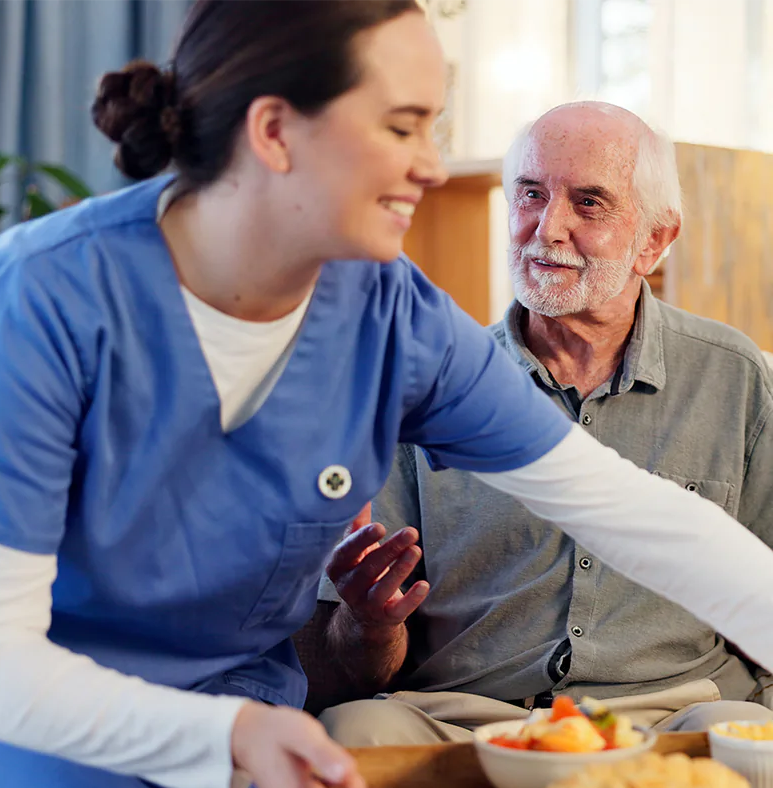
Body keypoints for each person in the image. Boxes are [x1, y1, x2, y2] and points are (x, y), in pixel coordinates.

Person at [0, 1, 772, 788]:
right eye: (402, 126)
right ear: (276, 132)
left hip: (263, 736)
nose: (431, 164)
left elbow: (628, 510)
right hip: (58, 734)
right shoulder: (40, 303)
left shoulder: (393, 315)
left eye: (435, 128)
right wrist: (231, 736)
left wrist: (244, 732)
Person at [315, 101, 773, 746]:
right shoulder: (425, 381)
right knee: (352, 733)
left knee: (754, 737)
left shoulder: (734, 375)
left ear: (655, 240)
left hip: (673, 712)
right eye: (530, 194)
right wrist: (372, 625)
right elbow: (348, 656)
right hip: (468, 714)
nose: (547, 228)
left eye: (589, 203)